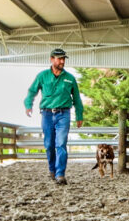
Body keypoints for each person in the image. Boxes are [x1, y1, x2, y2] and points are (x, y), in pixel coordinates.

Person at [24, 48, 84, 185]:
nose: (62, 61)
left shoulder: (70, 78)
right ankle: (52, 169)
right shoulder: (42, 76)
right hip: (46, 114)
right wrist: (28, 104)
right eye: (59, 58)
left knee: (61, 144)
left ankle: (60, 174)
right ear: (52, 59)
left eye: (64, 59)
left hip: (64, 114)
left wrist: (79, 115)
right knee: (49, 145)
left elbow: (77, 98)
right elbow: (32, 91)